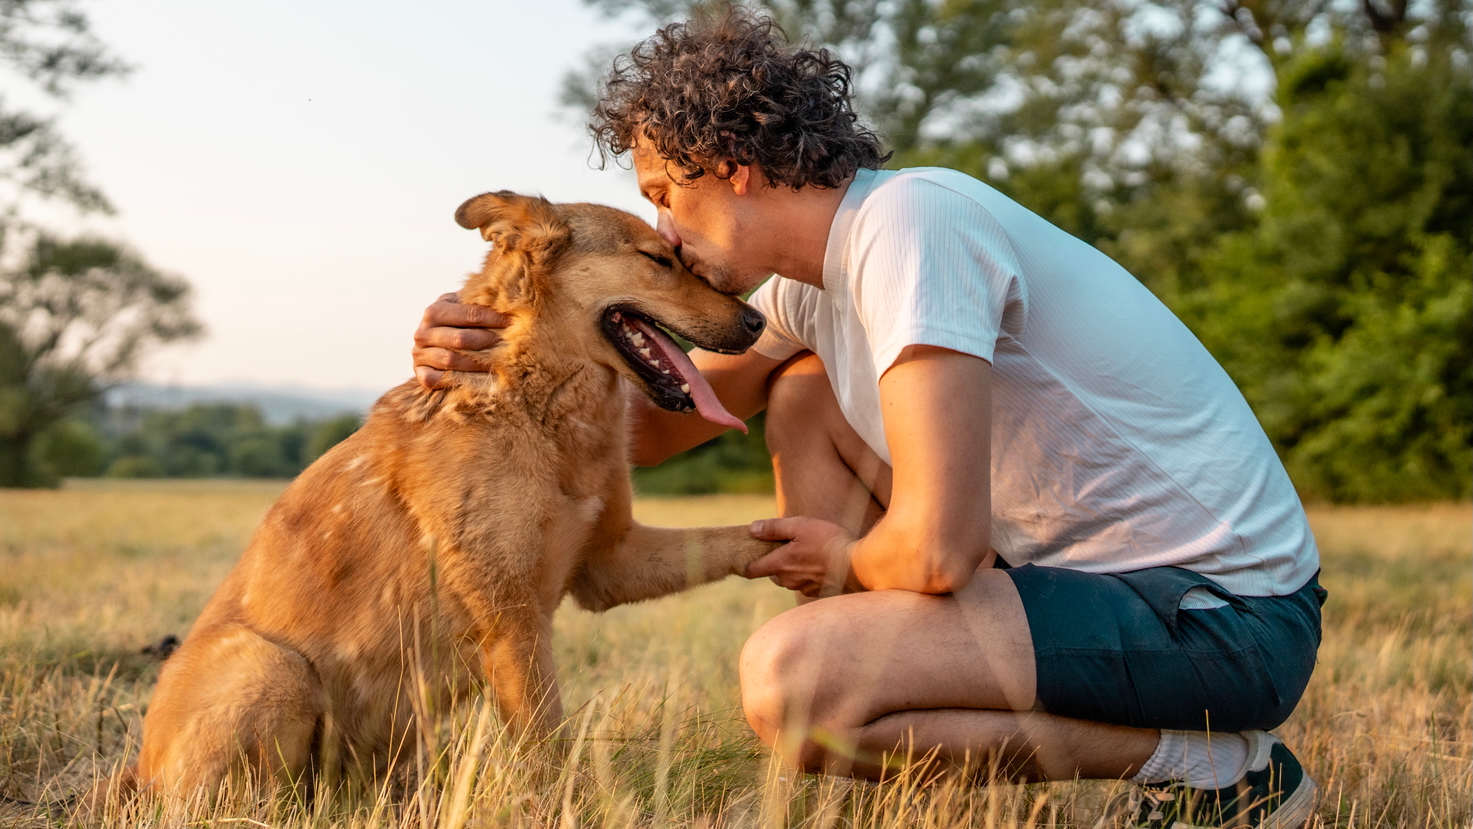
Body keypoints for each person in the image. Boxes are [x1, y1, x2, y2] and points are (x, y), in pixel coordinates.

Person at [412, 10, 1325, 828]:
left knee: (793, 684)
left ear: (727, 167)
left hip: (1224, 619)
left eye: (661, 193)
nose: (666, 235)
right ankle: (902, 720)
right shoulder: (814, 288)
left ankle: (1211, 767)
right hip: (1103, 589)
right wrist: (510, 347)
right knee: (803, 391)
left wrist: (840, 561)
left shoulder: (911, 225)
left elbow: (936, 552)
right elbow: (649, 435)